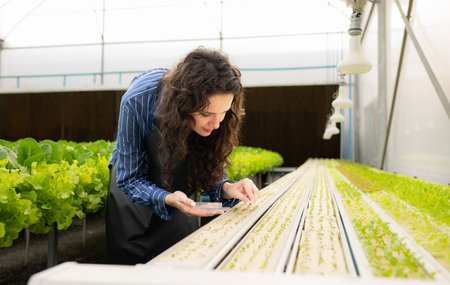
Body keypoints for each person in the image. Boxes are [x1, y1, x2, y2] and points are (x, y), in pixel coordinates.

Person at [105, 47, 260, 265]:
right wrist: (167, 198)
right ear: (184, 104)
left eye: (223, 113)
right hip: (134, 204)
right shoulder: (137, 100)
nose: (216, 124)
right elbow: (129, 179)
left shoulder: (214, 121)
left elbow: (204, 164)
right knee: (132, 268)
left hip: (179, 199)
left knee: (180, 260)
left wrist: (225, 187)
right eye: (206, 114)